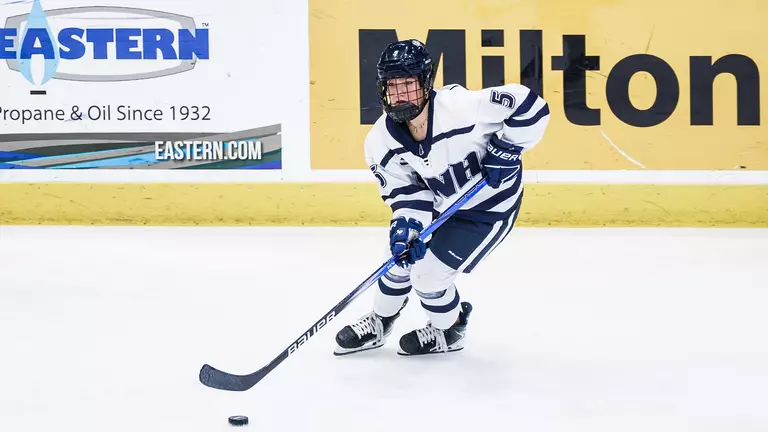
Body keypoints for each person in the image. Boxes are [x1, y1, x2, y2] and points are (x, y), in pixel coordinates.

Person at [333, 39, 550, 356]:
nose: (400, 94)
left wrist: (508, 148)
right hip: (441, 204)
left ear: (425, 82)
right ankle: (380, 321)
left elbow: (530, 106)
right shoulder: (381, 140)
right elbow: (408, 195)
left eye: (408, 83)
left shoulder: (462, 109)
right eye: (392, 86)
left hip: (489, 208)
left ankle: (450, 330)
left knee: (428, 277)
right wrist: (407, 226)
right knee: (396, 261)